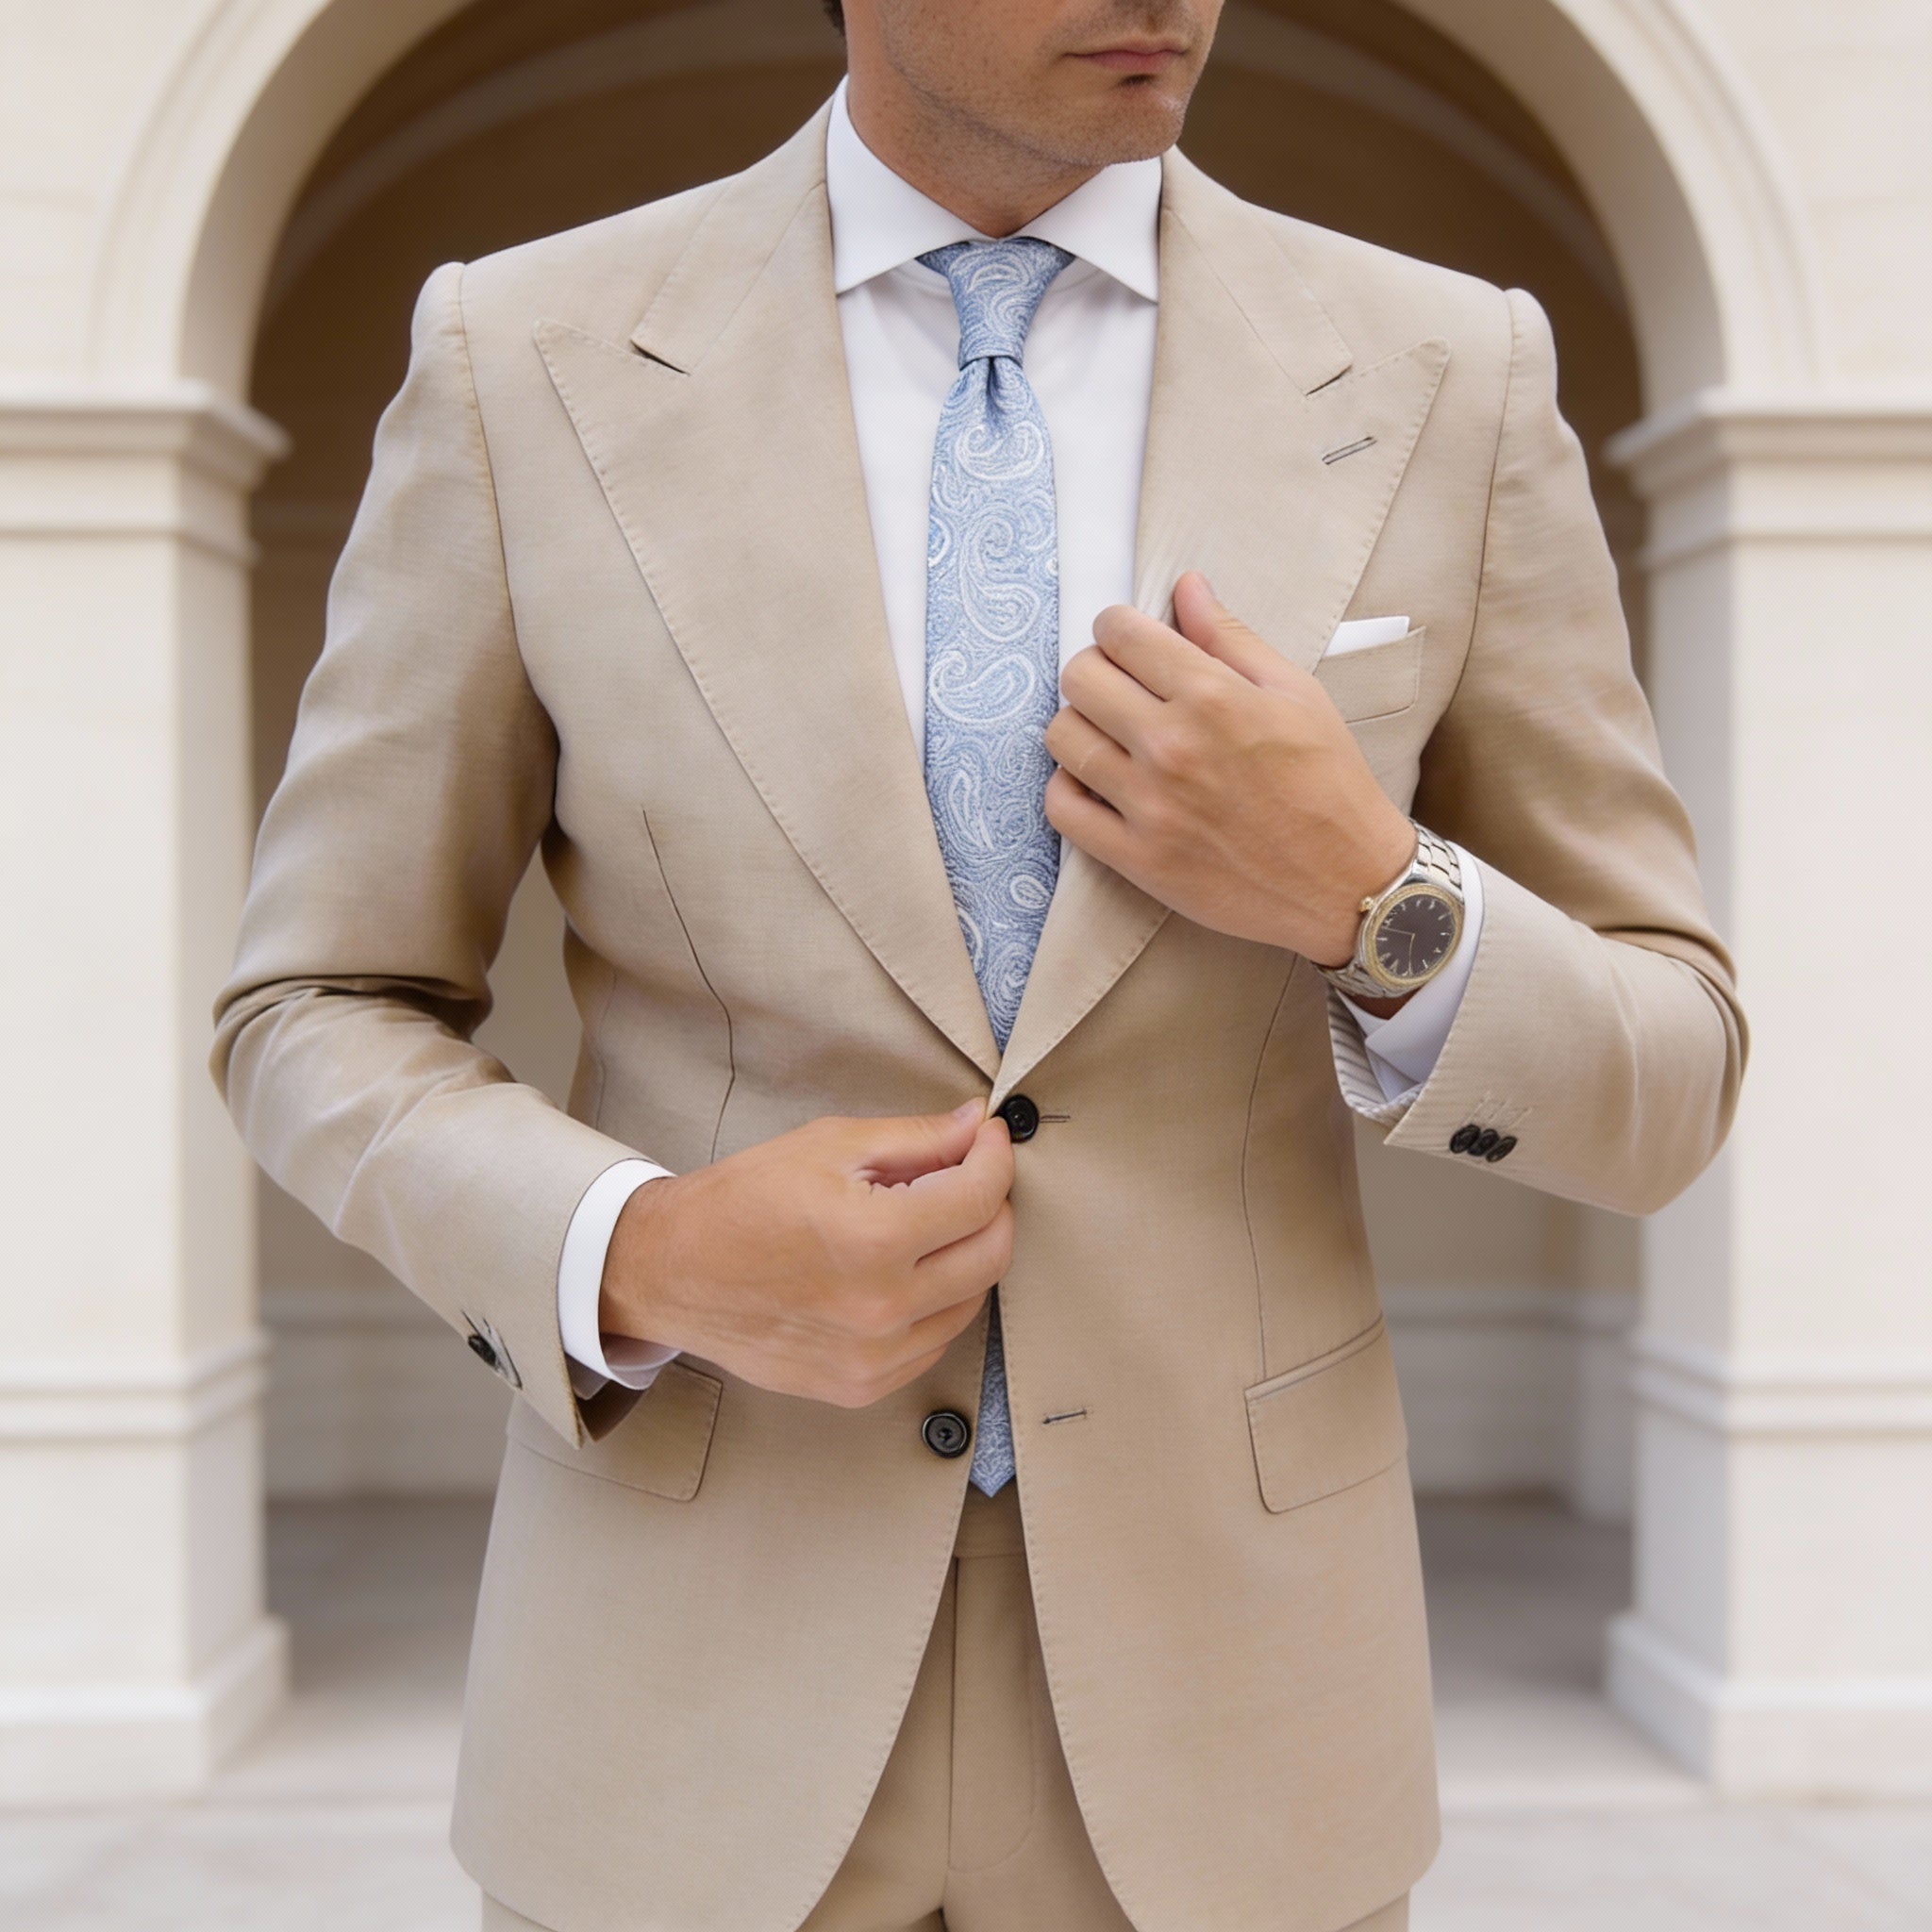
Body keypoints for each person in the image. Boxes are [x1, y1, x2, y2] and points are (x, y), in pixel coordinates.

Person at [214, 1, 1745, 1926]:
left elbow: (1668, 1070)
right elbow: (315, 1006)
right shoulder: (520, 359)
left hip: (1240, 1727)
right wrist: (642, 1249)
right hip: (685, 1718)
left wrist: (1379, 892)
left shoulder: (1451, 367)